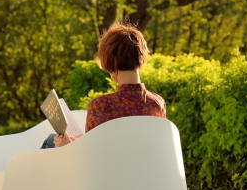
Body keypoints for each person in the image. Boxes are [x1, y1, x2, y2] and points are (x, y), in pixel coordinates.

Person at [40, 21, 166, 149]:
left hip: (107, 168)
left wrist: (69, 146)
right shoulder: (157, 104)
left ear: (110, 63)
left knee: (50, 141)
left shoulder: (101, 106)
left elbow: (91, 155)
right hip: (142, 167)